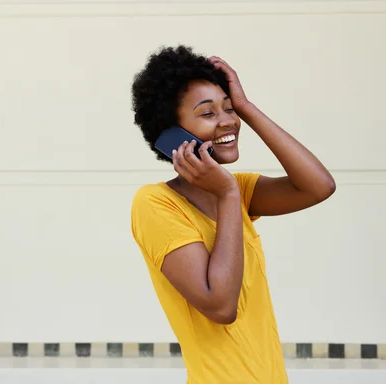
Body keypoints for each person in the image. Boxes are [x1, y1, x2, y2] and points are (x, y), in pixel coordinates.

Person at [130, 45, 336, 383]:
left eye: (228, 108)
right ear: (171, 135)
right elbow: (220, 306)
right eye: (208, 113)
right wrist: (226, 194)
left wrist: (247, 107)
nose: (228, 121)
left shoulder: (238, 191)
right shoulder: (155, 203)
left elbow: (319, 186)